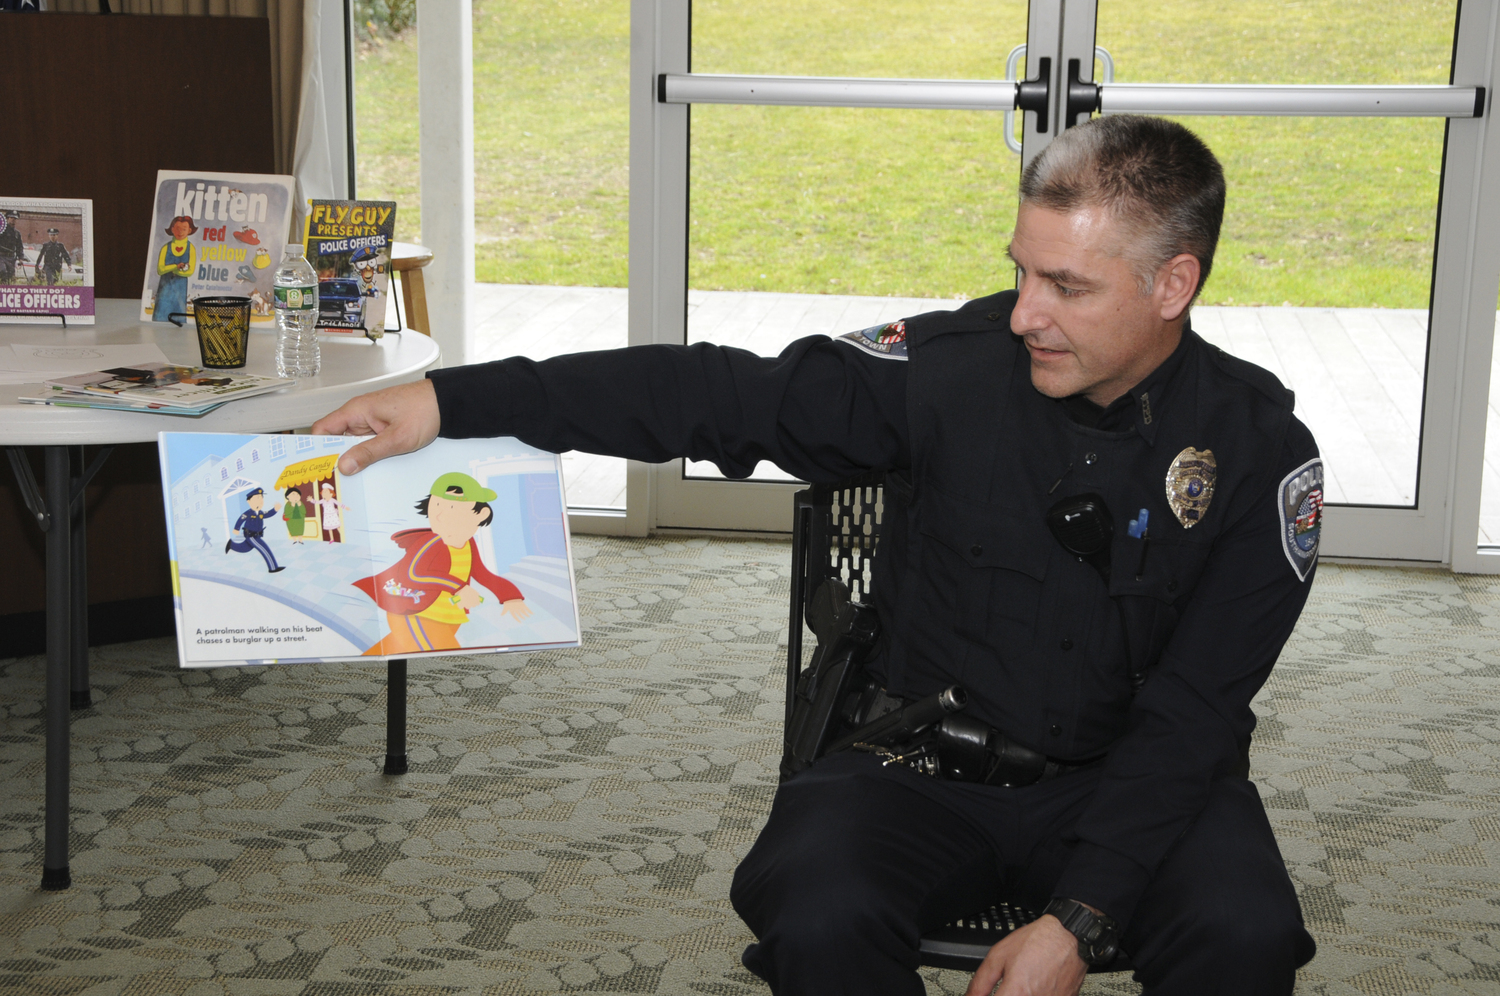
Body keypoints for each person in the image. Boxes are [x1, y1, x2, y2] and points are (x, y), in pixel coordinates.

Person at [311, 115, 1322, 996]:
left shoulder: (1258, 456)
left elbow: (1193, 713)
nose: (1023, 313)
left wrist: (1081, 918)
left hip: (1131, 770)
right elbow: (708, 393)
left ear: (1172, 284)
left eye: (1066, 285)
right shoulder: (946, 376)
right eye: (1020, 269)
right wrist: (449, 402)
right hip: (927, 760)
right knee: (815, 906)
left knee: (1245, 934)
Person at [352, 472, 533, 654]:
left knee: (391, 647)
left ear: (481, 514)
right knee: (447, 652)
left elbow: (482, 574)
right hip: (413, 613)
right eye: (436, 505)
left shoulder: (468, 544)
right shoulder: (431, 542)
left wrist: (510, 595)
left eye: (453, 507)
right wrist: (459, 588)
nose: (439, 515)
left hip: (447, 616)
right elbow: (414, 574)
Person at [225, 488, 284, 573]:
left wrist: (275, 509)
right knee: (264, 548)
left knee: (245, 548)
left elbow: (268, 514)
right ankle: (273, 568)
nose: (260, 501)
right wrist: (236, 529)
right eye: (257, 498)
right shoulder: (248, 513)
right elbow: (241, 519)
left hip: (257, 535)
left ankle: (231, 545)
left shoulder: (260, 513)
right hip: (251, 535)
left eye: (261, 498)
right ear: (249, 501)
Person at [153, 215, 196, 323]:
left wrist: (172, 270)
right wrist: (176, 267)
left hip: (180, 292)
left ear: (189, 230)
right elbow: (160, 270)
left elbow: (190, 272)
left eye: (184, 229)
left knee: (179, 321)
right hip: (164, 291)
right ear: (172, 229)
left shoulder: (191, 248)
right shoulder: (165, 248)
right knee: (160, 319)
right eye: (177, 228)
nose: (180, 232)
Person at [0, 212, 24, 284]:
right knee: (3, 271)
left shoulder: (17, 233)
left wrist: (21, 258)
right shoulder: (1, 230)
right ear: (7, 219)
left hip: (11, 257)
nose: (13, 220)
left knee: (11, 277)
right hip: (1, 256)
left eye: (15, 219)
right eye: (11, 218)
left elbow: (19, 246)